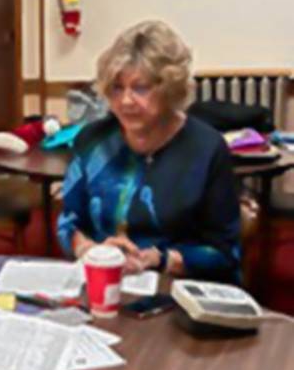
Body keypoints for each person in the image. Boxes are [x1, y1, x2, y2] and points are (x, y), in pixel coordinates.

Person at [57, 20, 241, 283]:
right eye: (117, 88)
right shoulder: (93, 141)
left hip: (176, 288)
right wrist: (89, 251)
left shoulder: (206, 149)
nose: (126, 101)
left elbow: (225, 254)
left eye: (140, 88)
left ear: (169, 89)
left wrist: (158, 258)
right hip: (104, 282)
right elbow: (69, 222)